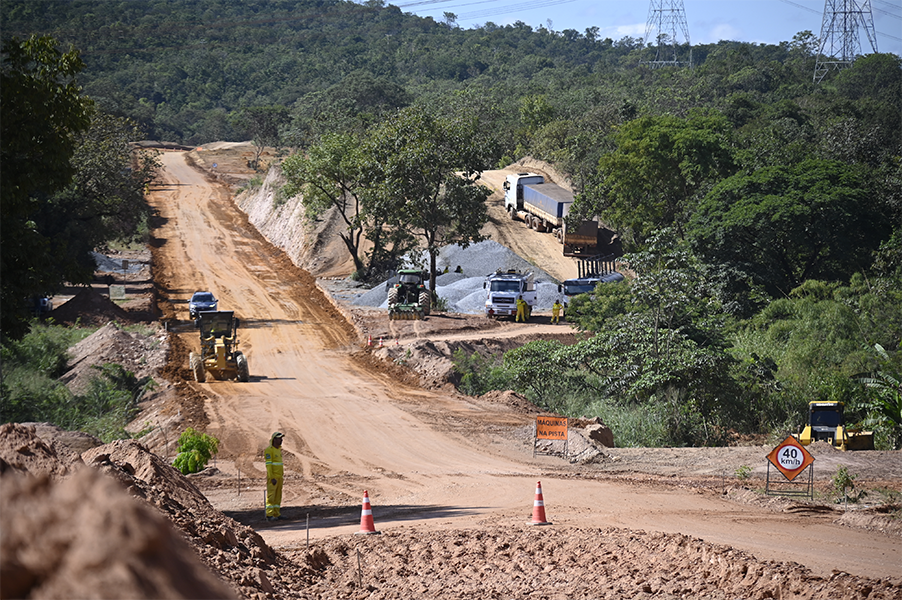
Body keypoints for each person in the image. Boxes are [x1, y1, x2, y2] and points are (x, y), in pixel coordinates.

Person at [265, 432, 285, 521]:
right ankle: (269, 514)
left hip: (280, 477)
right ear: (274, 439)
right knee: (271, 496)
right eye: (279, 438)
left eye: (281, 438)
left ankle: (276, 513)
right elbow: (269, 466)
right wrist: (272, 477)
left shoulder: (278, 450)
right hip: (273, 478)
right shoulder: (269, 450)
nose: (281, 440)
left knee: (278, 496)